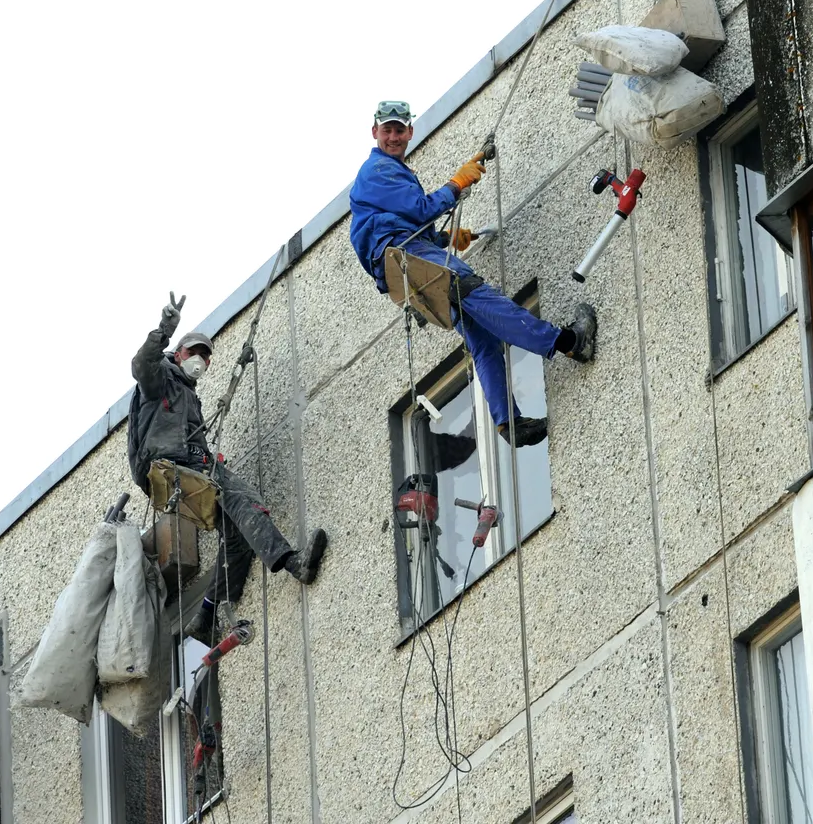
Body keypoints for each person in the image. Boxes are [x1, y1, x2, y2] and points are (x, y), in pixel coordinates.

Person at [349, 100, 597, 447]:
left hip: (403, 266)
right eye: (386, 130)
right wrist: (456, 183)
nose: (393, 136)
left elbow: (404, 221)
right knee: (475, 293)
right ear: (375, 132)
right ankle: (567, 342)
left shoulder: (390, 174)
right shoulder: (379, 170)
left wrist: (445, 239)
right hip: (405, 256)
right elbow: (421, 210)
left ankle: (509, 423)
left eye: (399, 130)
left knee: (480, 333)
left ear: (409, 132)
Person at [127, 296, 328, 641]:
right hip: (174, 465)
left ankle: (205, 615)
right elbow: (141, 365)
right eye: (195, 353)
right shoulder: (162, 379)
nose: (201, 361)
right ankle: (294, 564)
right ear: (179, 355)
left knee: (237, 537)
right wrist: (165, 330)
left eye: (206, 357)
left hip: (185, 467)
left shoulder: (187, 393)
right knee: (244, 500)